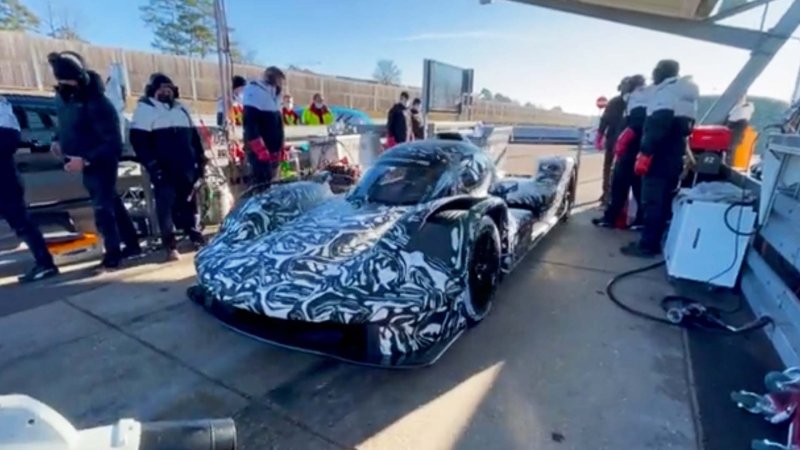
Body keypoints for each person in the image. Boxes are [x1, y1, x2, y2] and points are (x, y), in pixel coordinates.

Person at [48, 51, 141, 270]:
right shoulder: (64, 99)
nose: (64, 85)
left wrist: (86, 160)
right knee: (112, 203)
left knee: (103, 207)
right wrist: (57, 139)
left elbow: (112, 143)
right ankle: (132, 243)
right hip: (81, 158)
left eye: (67, 81)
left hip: (100, 161)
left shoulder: (98, 104)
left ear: (79, 79)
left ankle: (113, 253)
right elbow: (63, 123)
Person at [621, 60, 699, 257]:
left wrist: (645, 152)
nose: (653, 74)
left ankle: (647, 245)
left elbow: (658, 124)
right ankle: (656, 241)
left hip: (658, 156)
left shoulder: (666, 93)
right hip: (674, 154)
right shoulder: (686, 94)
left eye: (655, 70)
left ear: (663, 72)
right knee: (664, 201)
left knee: (651, 202)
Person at [130, 73, 207, 262]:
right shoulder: (144, 111)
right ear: (153, 91)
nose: (166, 92)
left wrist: (200, 158)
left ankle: (194, 234)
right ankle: (170, 244)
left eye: (169, 89)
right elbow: (139, 142)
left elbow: (194, 138)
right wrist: (152, 165)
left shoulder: (181, 109)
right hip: (164, 168)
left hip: (186, 165)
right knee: (166, 207)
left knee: (190, 203)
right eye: (162, 89)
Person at [0, 96, 59, 282]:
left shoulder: (2, 108)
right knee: (21, 222)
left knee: (21, 222)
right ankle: (44, 263)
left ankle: (45, 263)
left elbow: (10, 140)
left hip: (4, 180)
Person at [592, 75, 648, 229]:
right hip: (629, 147)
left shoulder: (637, 99)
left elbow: (635, 124)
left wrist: (622, 141)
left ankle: (614, 217)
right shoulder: (627, 100)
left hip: (628, 148)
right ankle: (615, 216)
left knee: (622, 184)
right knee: (631, 185)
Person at [242, 66, 286, 187]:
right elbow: (250, 125)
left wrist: (281, 146)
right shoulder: (255, 92)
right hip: (260, 153)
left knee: (272, 183)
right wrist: (260, 149)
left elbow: (278, 125)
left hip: (273, 150)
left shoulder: (274, 96)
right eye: (279, 81)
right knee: (261, 184)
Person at [596, 77, 631, 206]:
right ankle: (608, 195)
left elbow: (604, 120)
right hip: (617, 141)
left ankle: (611, 196)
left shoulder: (627, 101)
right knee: (611, 169)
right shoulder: (617, 102)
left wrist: (600, 135)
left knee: (613, 169)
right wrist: (600, 135)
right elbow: (604, 120)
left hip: (624, 141)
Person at [726, 95, 755, 165]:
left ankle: (730, 164)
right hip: (737, 120)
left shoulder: (746, 106)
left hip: (738, 121)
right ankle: (730, 163)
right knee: (732, 144)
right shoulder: (747, 106)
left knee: (732, 145)